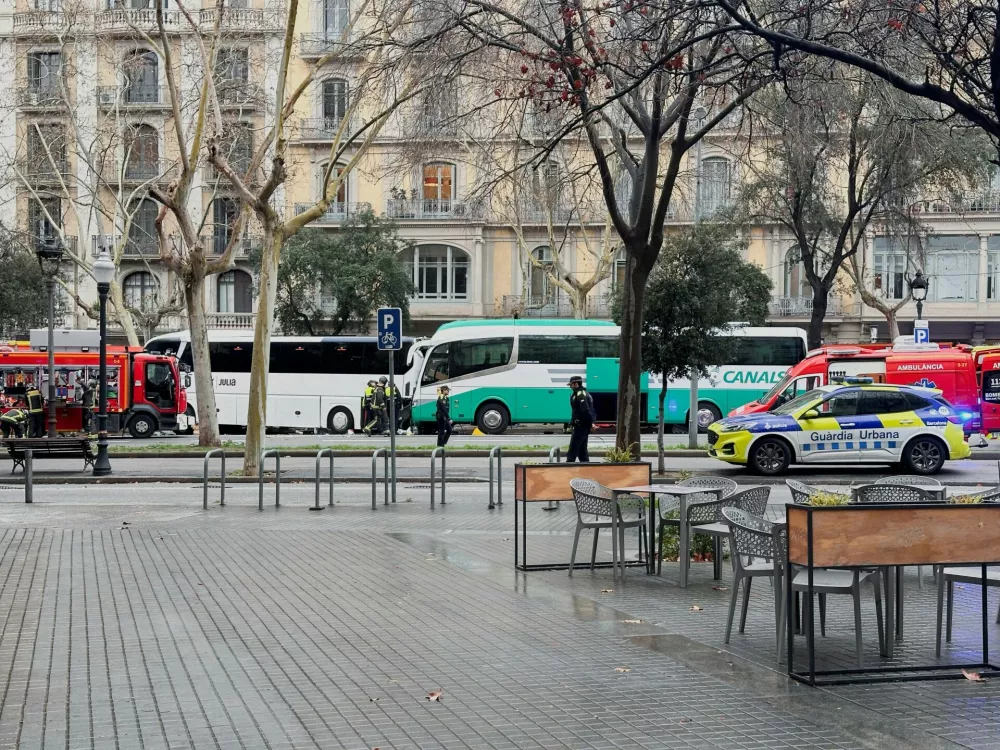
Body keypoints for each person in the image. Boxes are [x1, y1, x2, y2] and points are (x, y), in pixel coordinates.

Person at [566, 375, 596, 462]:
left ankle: (568, 469)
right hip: (582, 425)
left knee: (573, 450)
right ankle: (586, 468)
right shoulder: (580, 393)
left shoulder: (581, 394)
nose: (570, 387)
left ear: (575, 384)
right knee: (581, 451)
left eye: (571, 385)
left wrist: (591, 423)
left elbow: (586, 410)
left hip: (581, 426)